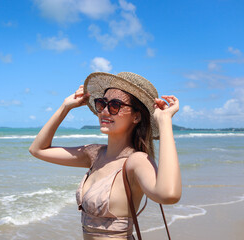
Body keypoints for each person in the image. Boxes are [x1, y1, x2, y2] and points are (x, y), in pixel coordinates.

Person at [29, 72, 181, 240]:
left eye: (115, 105)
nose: (105, 111)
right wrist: (65, 107)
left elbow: (169, 195)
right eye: (101, 104)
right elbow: (38, 150)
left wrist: (165, 121)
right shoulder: (94, 154)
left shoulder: (136, 161)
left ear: (136, 116)